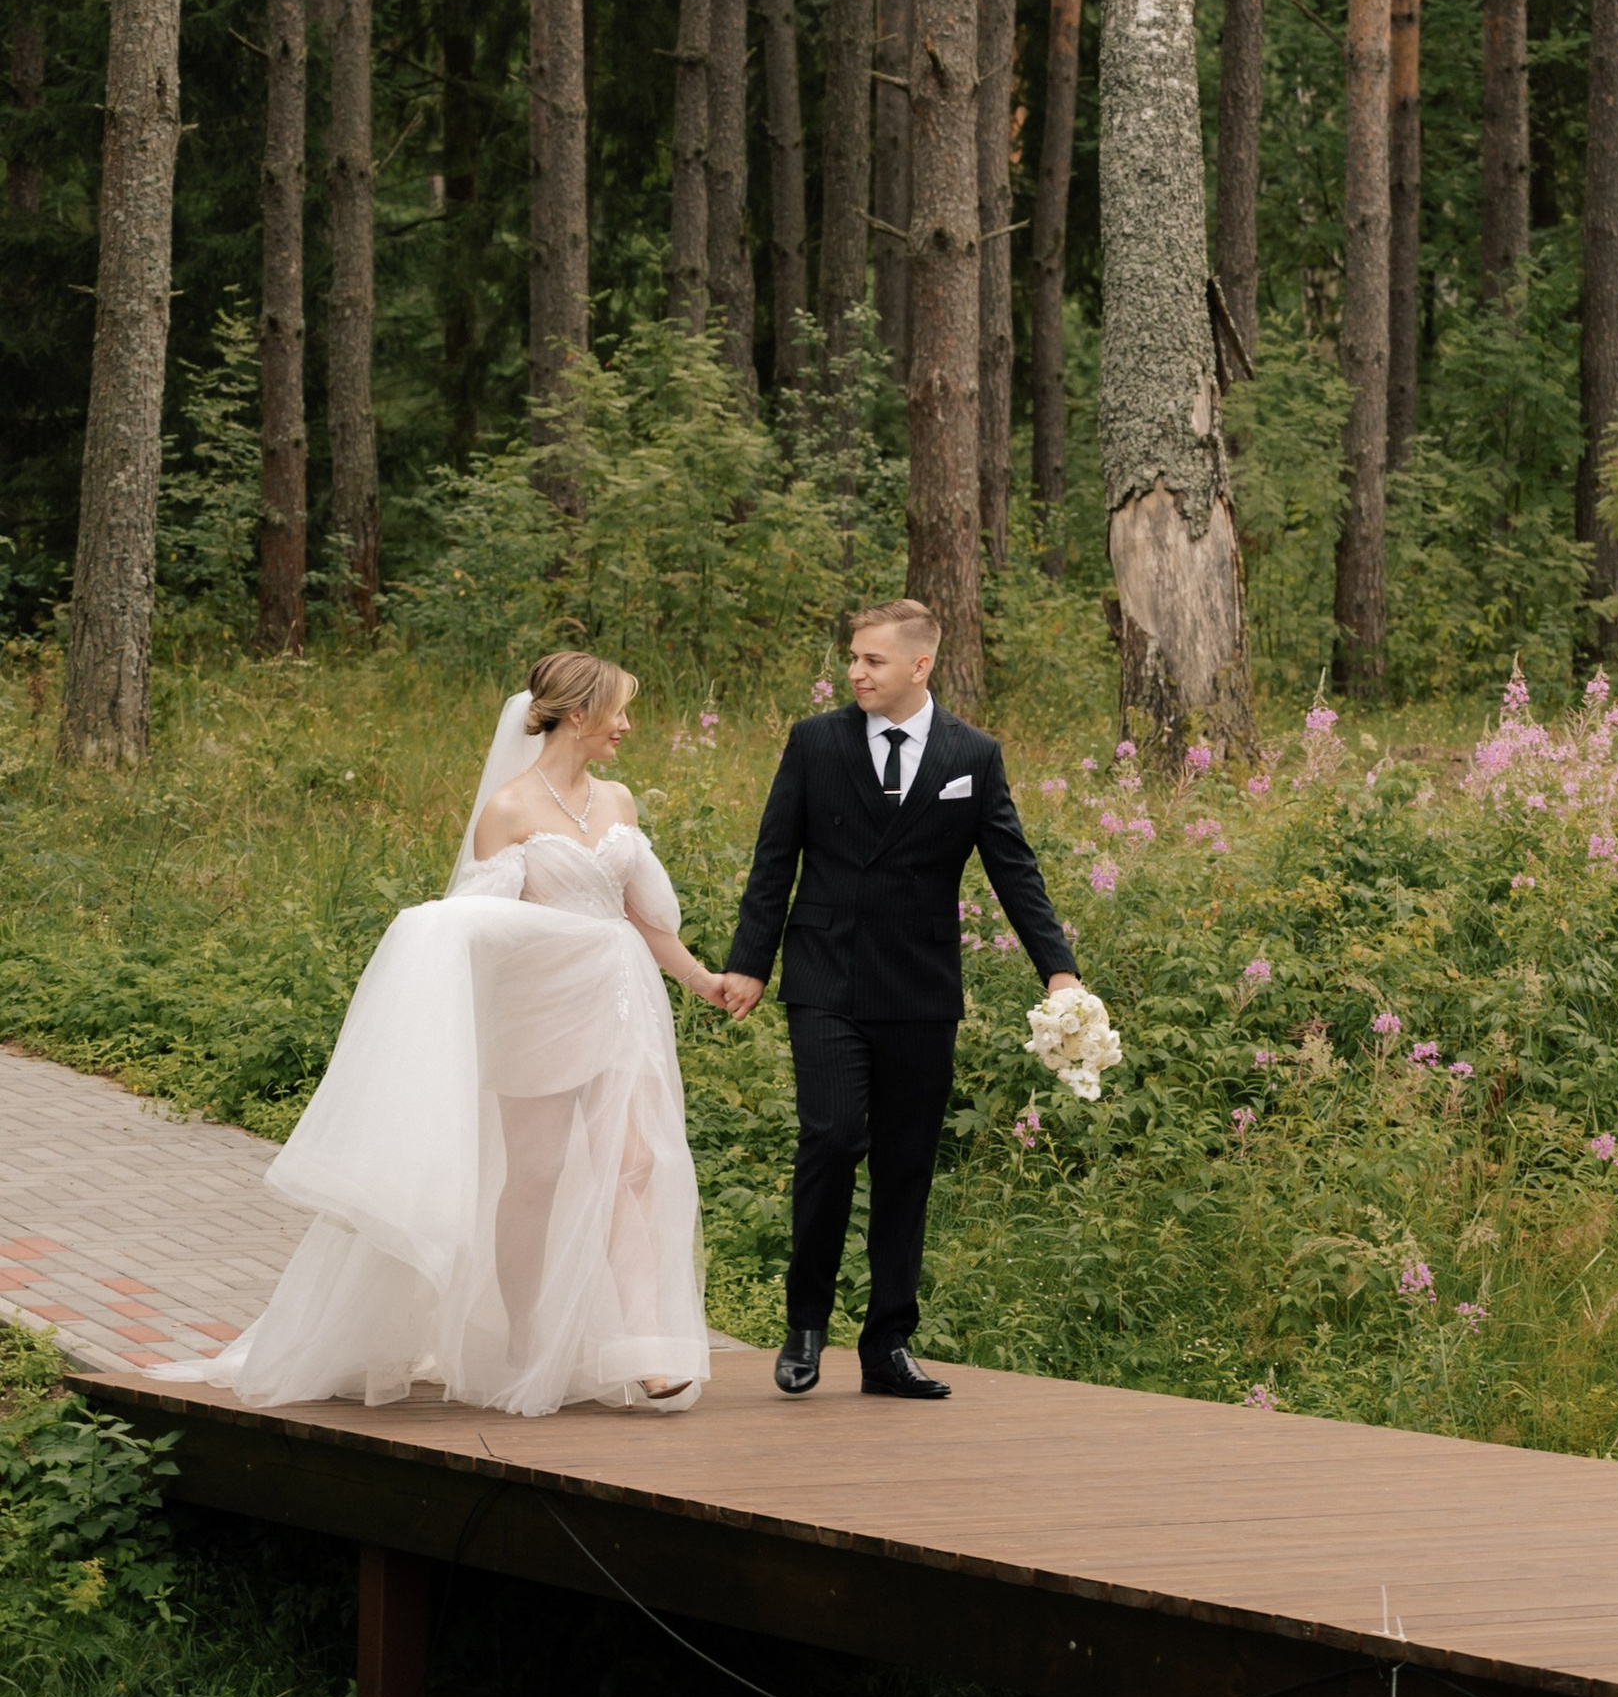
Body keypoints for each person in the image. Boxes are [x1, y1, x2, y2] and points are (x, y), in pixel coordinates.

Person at [195, 654, 725, 1418]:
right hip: (540, 1008)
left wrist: (701, 979)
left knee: (635, 1165)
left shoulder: (619, 801)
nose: (627, 725)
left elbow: (644, 919)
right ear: (577, 715)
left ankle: (645, 1348)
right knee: (536, 1179)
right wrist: (426, 935)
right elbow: (484, 928)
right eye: (618, 710)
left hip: (620, 1002)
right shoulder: (507, 811)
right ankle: (524, 1337)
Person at [719, 598, 1079, 1399]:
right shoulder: (815, 742)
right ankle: (805, 1324)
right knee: (833, 1135)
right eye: (853, 657)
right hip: (826, 978)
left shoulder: (972, 754)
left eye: (873, 660)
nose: (854, 672)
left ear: (920, 666)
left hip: (920, 988)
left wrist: (1057, 969)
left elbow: (1012, 867)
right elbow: (774, 858)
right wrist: (751, 963)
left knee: (907, 1166)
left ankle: (886, 1347)